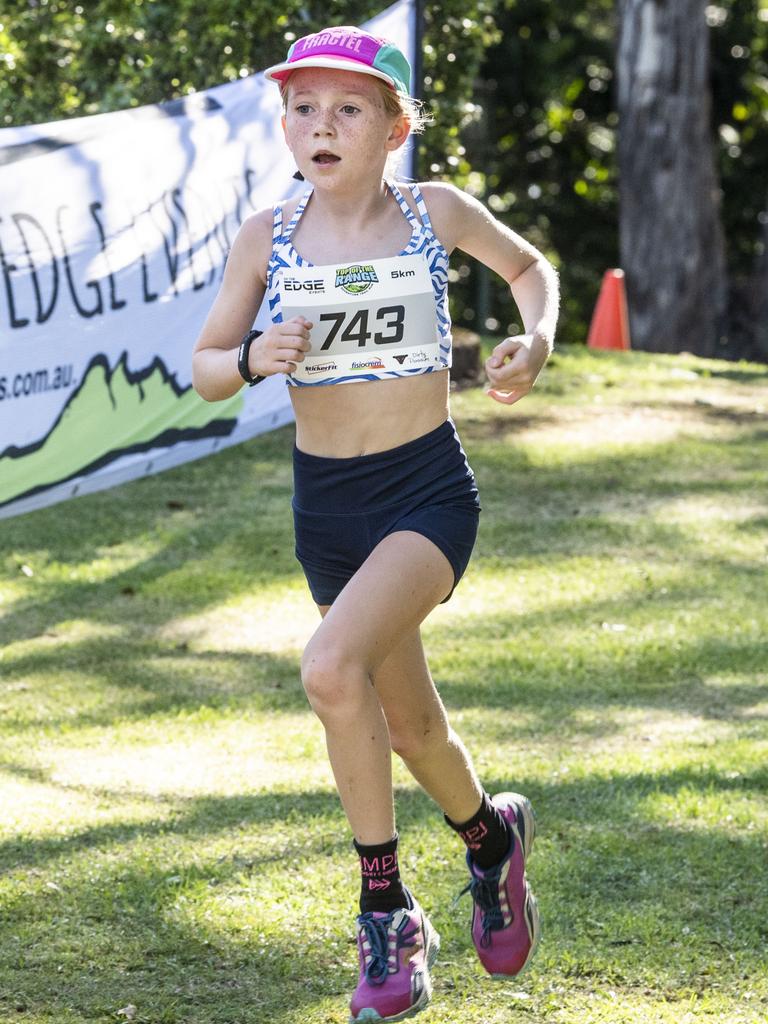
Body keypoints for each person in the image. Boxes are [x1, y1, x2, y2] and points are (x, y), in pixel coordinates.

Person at [192, 24, 559, 1023]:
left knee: (326, 667)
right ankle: (491, 842)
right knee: (409, 726)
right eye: (304, 107)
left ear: (395, 128)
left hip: (425, 494)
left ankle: (385, 910)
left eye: (348, 108)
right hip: (329, 511)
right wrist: (257, 356)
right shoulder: (268, 236)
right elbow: (207, 366)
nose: (322, 124)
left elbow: (530, 268)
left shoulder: (433, 211)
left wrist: (537, 338)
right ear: (284, 125)